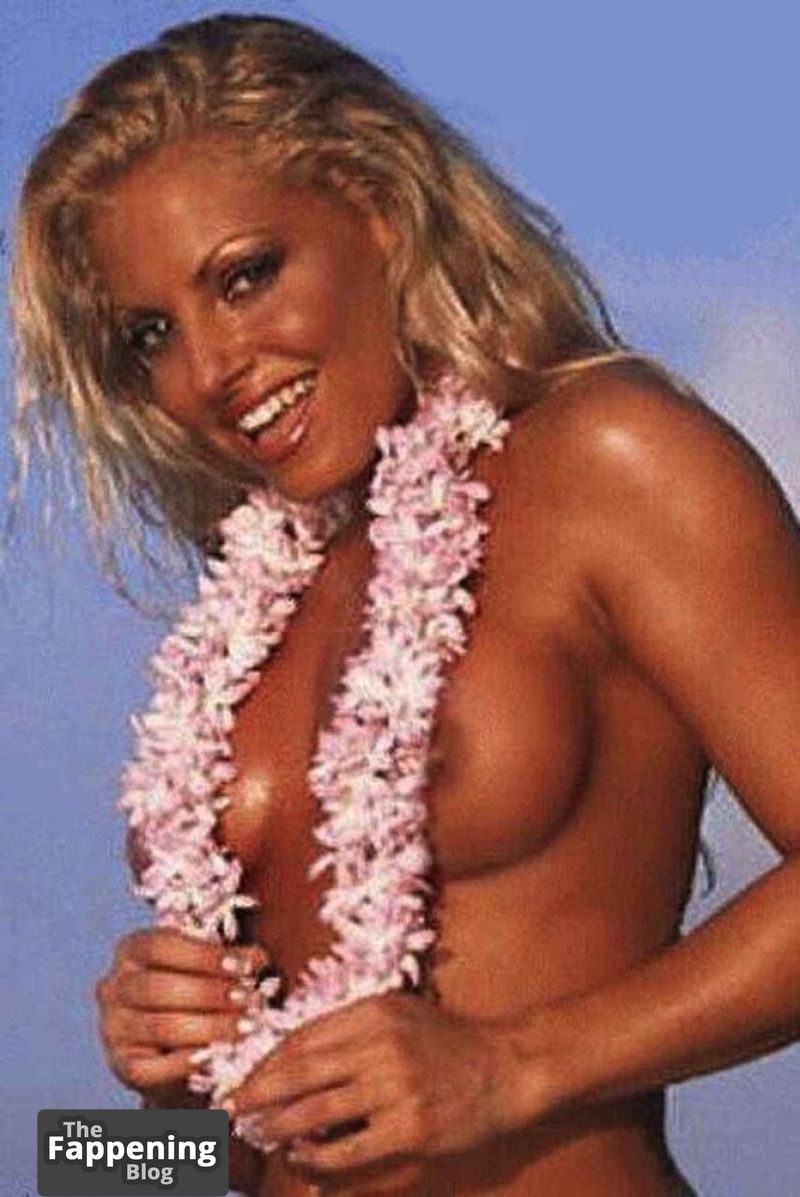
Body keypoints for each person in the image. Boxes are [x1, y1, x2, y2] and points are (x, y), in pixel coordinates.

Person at [10, 13, 799, 1197]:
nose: (211, 369)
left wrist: (514, 1067)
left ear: (377, 206)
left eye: (246, 275)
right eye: (151, 334)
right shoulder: (255, 593)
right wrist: (150, 1101)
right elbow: (165, 1177)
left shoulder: (607, 459)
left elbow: (472, 1087)